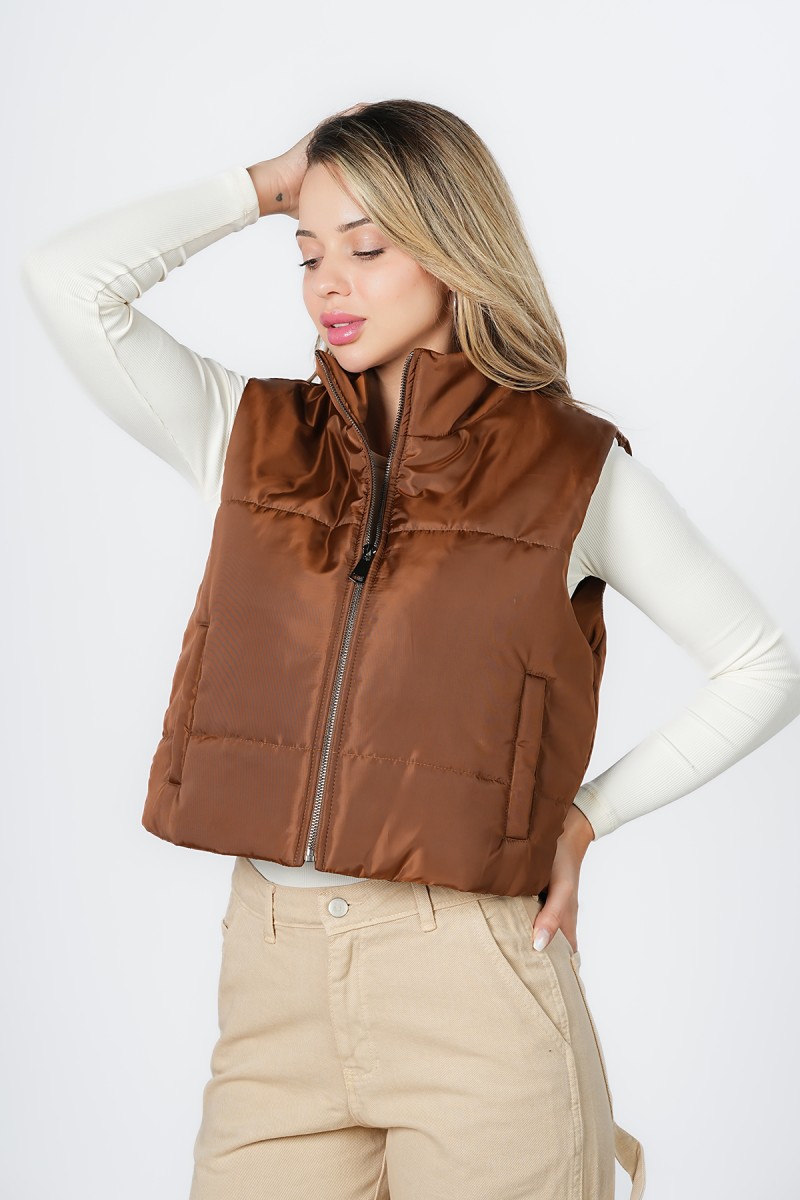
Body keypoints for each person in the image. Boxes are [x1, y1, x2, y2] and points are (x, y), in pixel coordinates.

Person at [20, 98, 800, 1200]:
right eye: (307, 253)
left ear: (451, 247)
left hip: (472, 985)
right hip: (273, 985)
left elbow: (764, 666)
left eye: (369, 247)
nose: (327, 285)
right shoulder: (247, 434)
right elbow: (65, 281)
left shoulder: (572, 471)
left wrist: (585, 819)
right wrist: (266, 183)